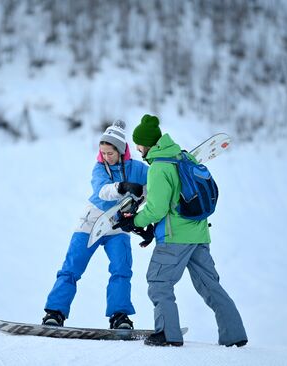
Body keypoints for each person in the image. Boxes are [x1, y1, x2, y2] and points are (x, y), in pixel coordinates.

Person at [116, 114, 248, 347]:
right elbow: (176, 201)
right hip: (199, 235)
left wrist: (134, 222)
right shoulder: (182, 157)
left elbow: (157, 209)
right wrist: (150, 231)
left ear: (146, 144)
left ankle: (168, 334)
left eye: (139, 145)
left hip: (175, 238)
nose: (137, 149)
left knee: (159, 282)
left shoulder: (159, 168)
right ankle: (234, 335)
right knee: (210, 286)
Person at [42, 120, 149, 329]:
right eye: (103, 153)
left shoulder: (137, 168)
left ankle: (120, 317)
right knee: (71, 268)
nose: (106, 157)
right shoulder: (99, 168)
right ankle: (55, 312)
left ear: (120, 150)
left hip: (117, 226)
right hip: (91, 222)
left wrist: (144, 195)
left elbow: (155, 181)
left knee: (121, 270)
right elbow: (102, 190)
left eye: (110, 153)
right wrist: (122, 186)